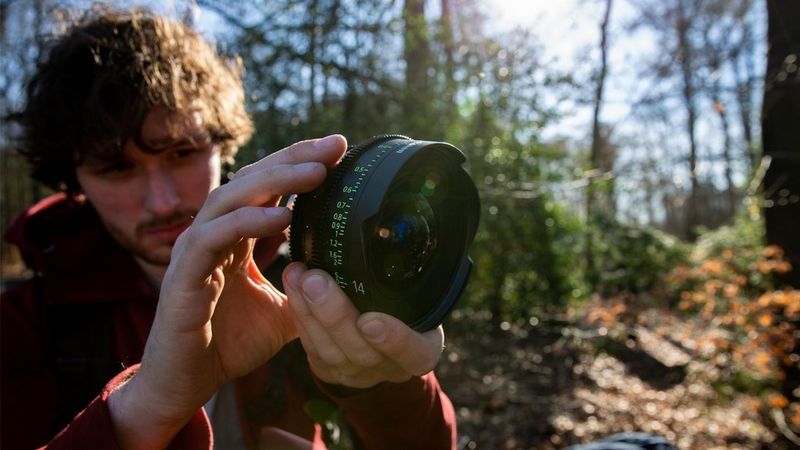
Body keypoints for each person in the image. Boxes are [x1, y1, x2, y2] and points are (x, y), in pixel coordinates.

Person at [0, 7, 456, 450]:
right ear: (73, 179)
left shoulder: (306, 274)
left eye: (182, 152)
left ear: (221, 143)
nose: (164, 201)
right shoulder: (24, 326)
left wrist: (378, 384)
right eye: (116, 168)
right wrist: (145, 407)